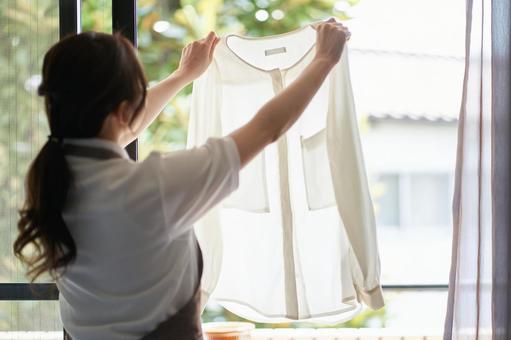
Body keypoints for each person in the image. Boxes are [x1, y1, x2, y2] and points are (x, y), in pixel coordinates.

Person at [13, 19, 350, 340]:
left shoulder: (48, 180)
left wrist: (183, 76)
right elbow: (265, 128)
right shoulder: (153, 187)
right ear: (123, 109)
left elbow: (118, 130)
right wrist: (323, 60)